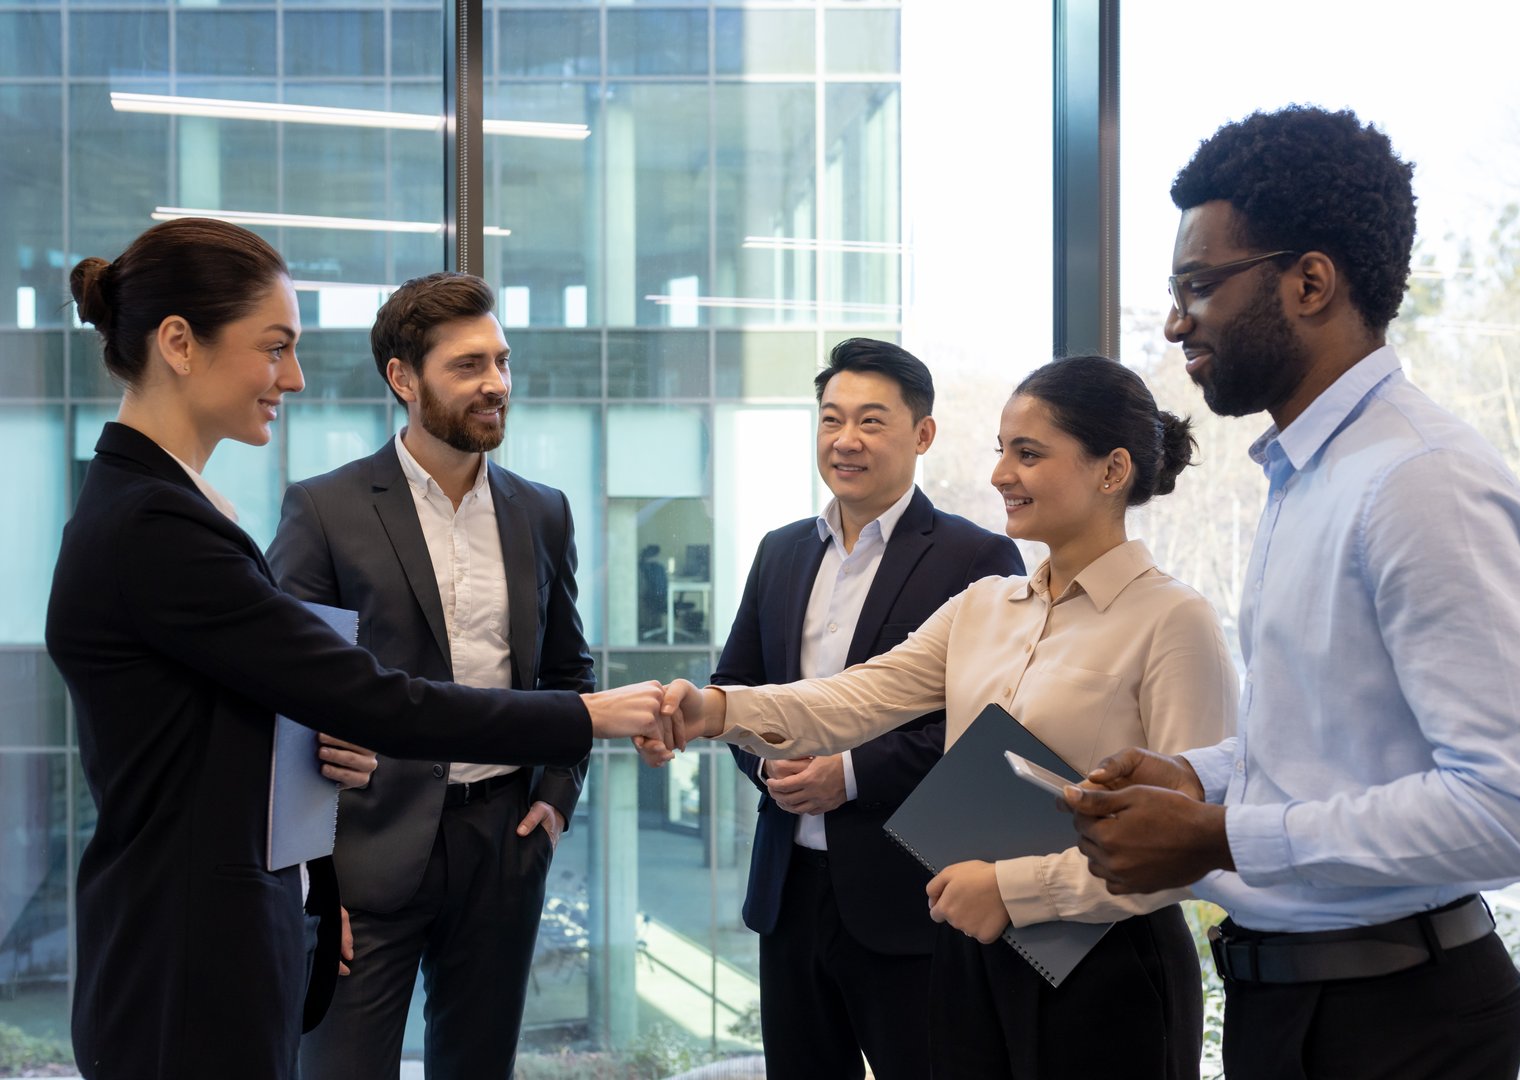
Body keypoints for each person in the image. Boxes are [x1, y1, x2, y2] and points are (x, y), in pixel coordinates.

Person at [46, 218, 670, 1080]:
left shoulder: (166, 507)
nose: (293, 378)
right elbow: (368, 697)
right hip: (191, 952)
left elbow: (276, 704)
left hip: (228, 928)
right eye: (275, 348)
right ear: (180, 344)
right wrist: (586, 718)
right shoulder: (160, 525)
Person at [1064, 106, 1520, 1080]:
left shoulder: (1417, 484)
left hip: (1393, 1021)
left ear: (1308, 282)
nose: (1175, 323)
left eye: (1196, 286)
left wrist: (1219, 835)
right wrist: (1198, 780)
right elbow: (1330, 741)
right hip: (1303, 1007)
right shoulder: (1312, 474)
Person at [665, 355, 1238, 1080]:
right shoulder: (983, 606)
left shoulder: (1173, 619)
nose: (1000, 474)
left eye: (1027, 454)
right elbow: (850, 700)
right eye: (1001, 450)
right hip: (972, 948)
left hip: (1106, 964)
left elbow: (1186, 847)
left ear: (1111, 470)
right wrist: (714, 709)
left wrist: (1012, 890)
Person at [267, 272, 590, 1079]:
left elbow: (567, 669)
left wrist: (555, 796)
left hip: (504, 844)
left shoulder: (542, 511)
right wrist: (311, 881)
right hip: (362, 851)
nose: (496, 384)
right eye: (468, 366)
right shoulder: (325, 509)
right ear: (403, 378)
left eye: (501, 361)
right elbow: (281, 692)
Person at [716, 338, 1023, 1080]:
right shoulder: (780, 551)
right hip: (788, 890)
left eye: (870, 421)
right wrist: (768, 762)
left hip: (911, 896)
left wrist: (849, 774)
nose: (845, 440)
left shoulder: (976, 560)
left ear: (923, 434)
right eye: (831, 419)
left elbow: (990, 731)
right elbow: (736, 684)